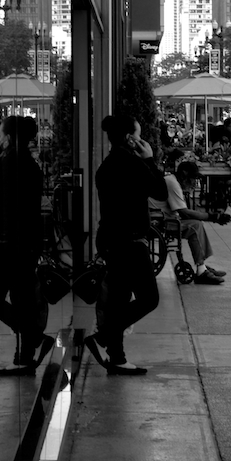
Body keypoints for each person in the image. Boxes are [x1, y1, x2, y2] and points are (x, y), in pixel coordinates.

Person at [86, 114, 168, 376]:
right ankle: (103, 337)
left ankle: (117, 357)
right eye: (139, 135)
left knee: (119, 302)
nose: (143, 140)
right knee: (149, 299)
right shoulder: (133, 164)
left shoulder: (107, 165)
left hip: (111, 240)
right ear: (130, 139)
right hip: (129, 242)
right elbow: (161, 193)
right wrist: (150, 159)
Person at [0, 116, 51, 375]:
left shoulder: (5, 164)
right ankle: (24, 356)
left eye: (0, 134)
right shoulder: (32, 166)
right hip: (27, 242)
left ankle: (34, 339)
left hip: (9, 243)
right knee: (22, 300)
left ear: (7, 138)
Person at [150, 161, 229, 285]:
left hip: (163, 218)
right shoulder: (172, 183)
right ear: (184, 175)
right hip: (159, 221)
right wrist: (213, 217)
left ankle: (201, 267)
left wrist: (213, 216)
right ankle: (201, 270)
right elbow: (185, 213)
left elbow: (183, 212)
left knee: (196, 224)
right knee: (195, 225)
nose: (193, 182)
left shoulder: (172, 181)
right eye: (192, 178)